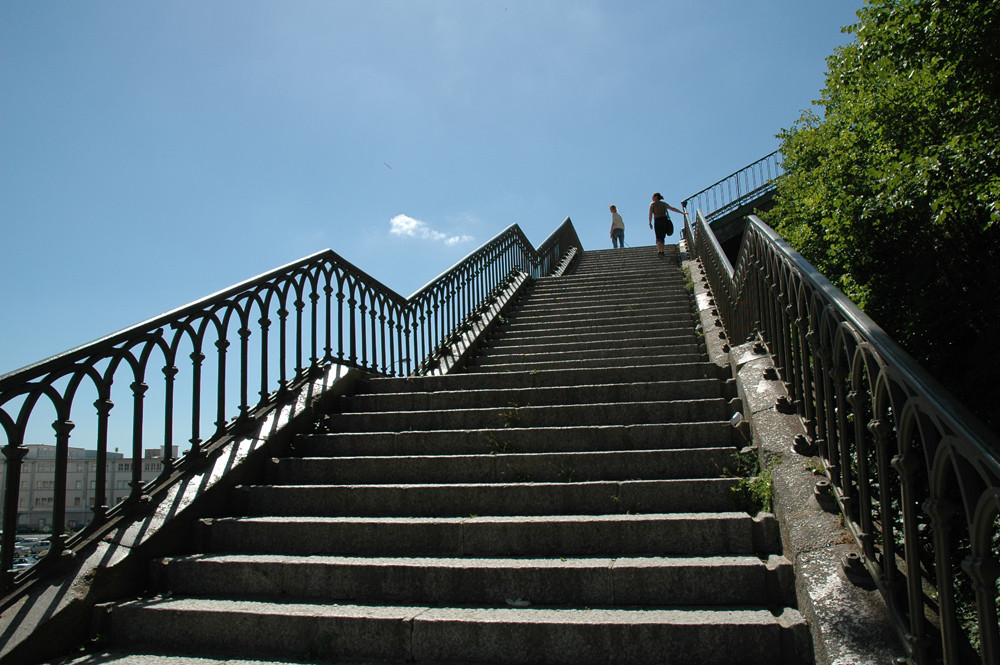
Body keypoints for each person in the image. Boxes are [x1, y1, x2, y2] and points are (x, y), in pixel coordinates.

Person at [648, 192, 682, 257]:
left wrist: (650, 222)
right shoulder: (664, 204)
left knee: (658, 236)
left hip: (657, 220)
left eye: (653, 196)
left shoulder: (652, 204)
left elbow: (650, 214)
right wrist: (682, 213)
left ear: (656, 197)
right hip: (664, 220)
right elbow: (672, 208)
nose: (652, 198)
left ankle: (659, 251)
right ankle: (662, 251)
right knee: (663, 237)